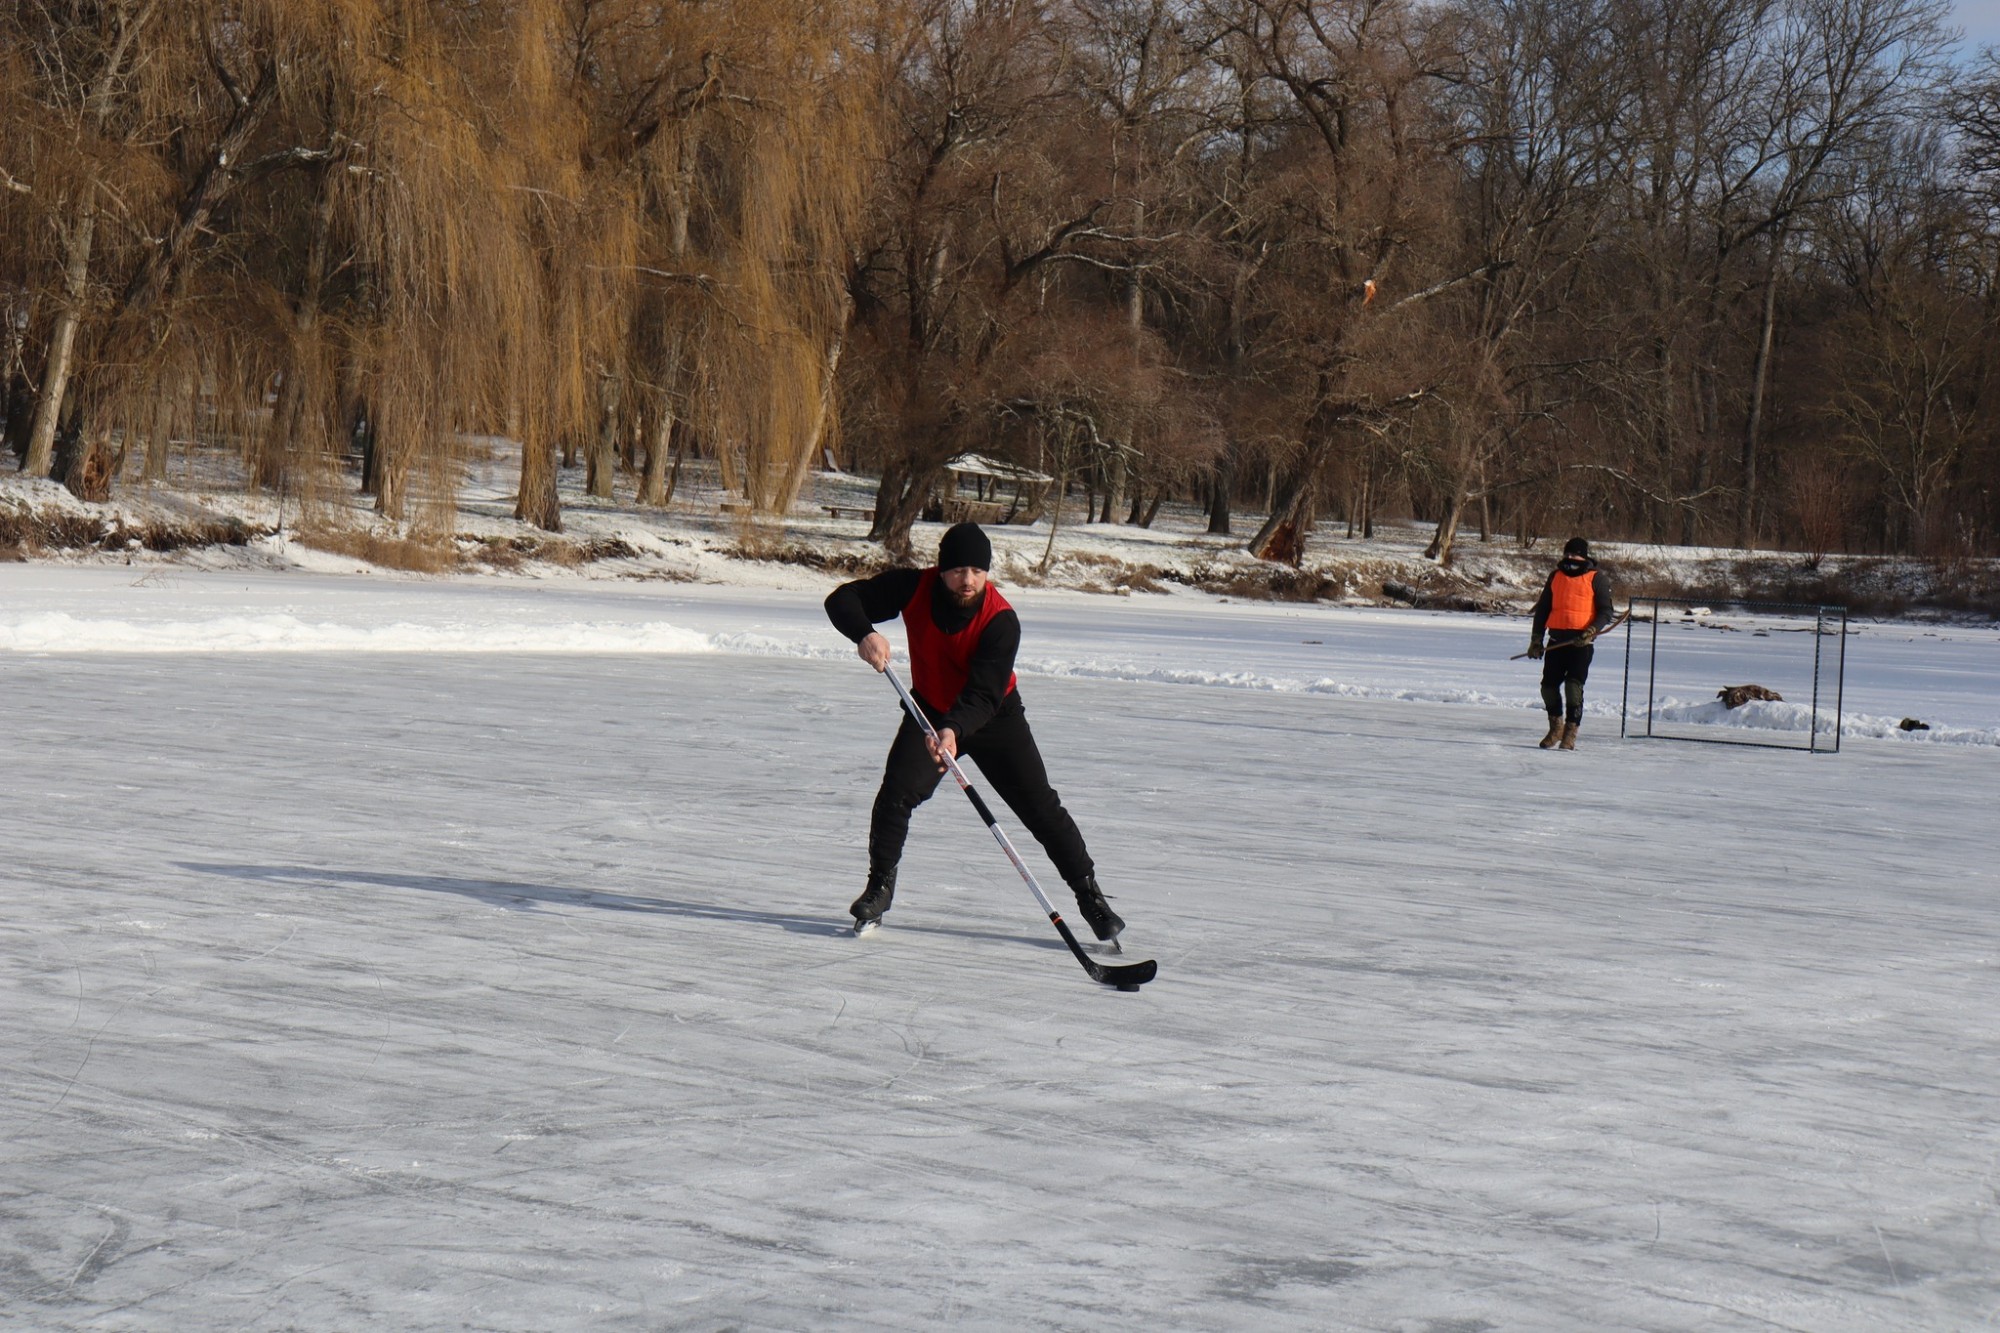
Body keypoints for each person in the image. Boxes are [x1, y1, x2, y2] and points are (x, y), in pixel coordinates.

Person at [824, 521, 1124, 940]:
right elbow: (842, 599)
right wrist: (865, 633)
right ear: (941, 569)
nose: (968, 581)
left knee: (1040, 808)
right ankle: (879, 889)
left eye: (978, 572)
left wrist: (953, 730)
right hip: (929, 709)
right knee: (896, 794)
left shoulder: (1001, 621)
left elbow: (984, 695)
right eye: (959, 570)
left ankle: (1090, 897)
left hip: (994, 717)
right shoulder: (914, 587)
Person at [1526, 536, 1616, 750]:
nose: (1569, 558)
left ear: (1584, 557)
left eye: (1574, 554)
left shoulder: (1597, 578)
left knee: (1573, 687)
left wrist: (1592, 631)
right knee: (1548, 687)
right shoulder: (1555, 577)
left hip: (1581, 645)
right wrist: (1536, 638)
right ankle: (1555, 728)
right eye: (1567, 554)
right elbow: (1543, 610)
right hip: (1555, 642)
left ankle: (1570, 732)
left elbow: (1606, 611)